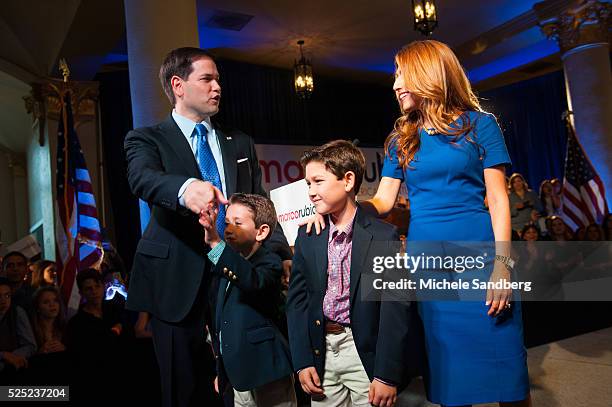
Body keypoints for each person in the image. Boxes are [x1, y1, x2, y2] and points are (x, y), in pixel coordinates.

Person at [308, 41, 530, 406]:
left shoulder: (481, 124)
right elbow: (382, 201)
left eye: (401, 75)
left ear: (428, 74)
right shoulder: (401, 140)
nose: (395, 85)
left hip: (482, 259)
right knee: (451, 382)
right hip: (429, 267)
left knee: (508, 376)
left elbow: (500, 199)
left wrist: (503, 266)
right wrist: (338, 206)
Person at [124, 47, 291, 407]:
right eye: (207, 79)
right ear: (178, 85)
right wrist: (186, 189)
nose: (217, 87)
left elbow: (260, 203)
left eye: (218, 79)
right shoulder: (147, 139)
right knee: (183, 391)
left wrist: (279, 252)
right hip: (174, 282)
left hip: (234, 278)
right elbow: (142, 178)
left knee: (238, 388)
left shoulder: (240, 141)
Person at [288, 140, 416, 407]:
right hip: (321, 353)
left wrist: (386, 374)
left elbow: (395, 307)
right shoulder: (308, 235)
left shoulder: (382, 236)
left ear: (347, 181)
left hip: (364, 355)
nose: (311, 192)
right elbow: (297, 303)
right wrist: (302, 361)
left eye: (318, 181)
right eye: (308, 184)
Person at [200, 193, 296, 406]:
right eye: (226, 223)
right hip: (238, 377)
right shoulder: (226, 265)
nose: (228, 229)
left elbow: (251, 281)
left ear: (261, 232)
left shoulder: (269, 263)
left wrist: (216, 243)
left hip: (266, 372)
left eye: (238, 223)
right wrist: (222, 371)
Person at [0, 277, 37, 379]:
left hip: (10, 369)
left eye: (7, 296)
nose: (3, 301)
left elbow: (30, 345)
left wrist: (12, 357)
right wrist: (3, 355)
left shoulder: (16, 312)